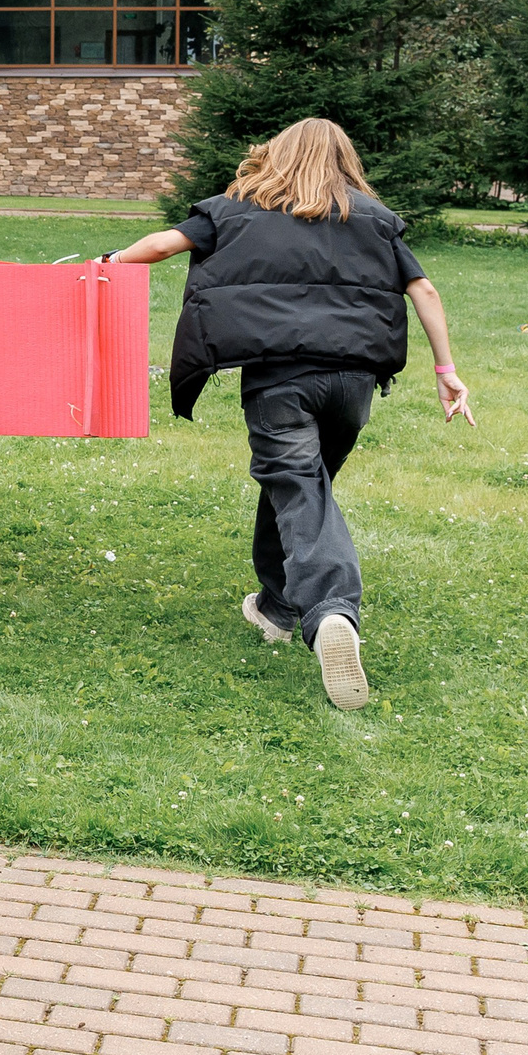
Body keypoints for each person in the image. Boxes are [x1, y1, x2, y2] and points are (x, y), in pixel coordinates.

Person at [108, 118, 472, 712]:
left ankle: (331, 611)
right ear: (346, 160)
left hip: (281, 380)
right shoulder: (373, 219)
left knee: (299, 487)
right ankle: (277, 606)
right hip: (353, 383)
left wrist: (110, 260)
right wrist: (445, 370)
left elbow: (160, 246)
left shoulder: (236, 208)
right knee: (297, 484)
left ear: (276, 154)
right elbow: (424, 291)